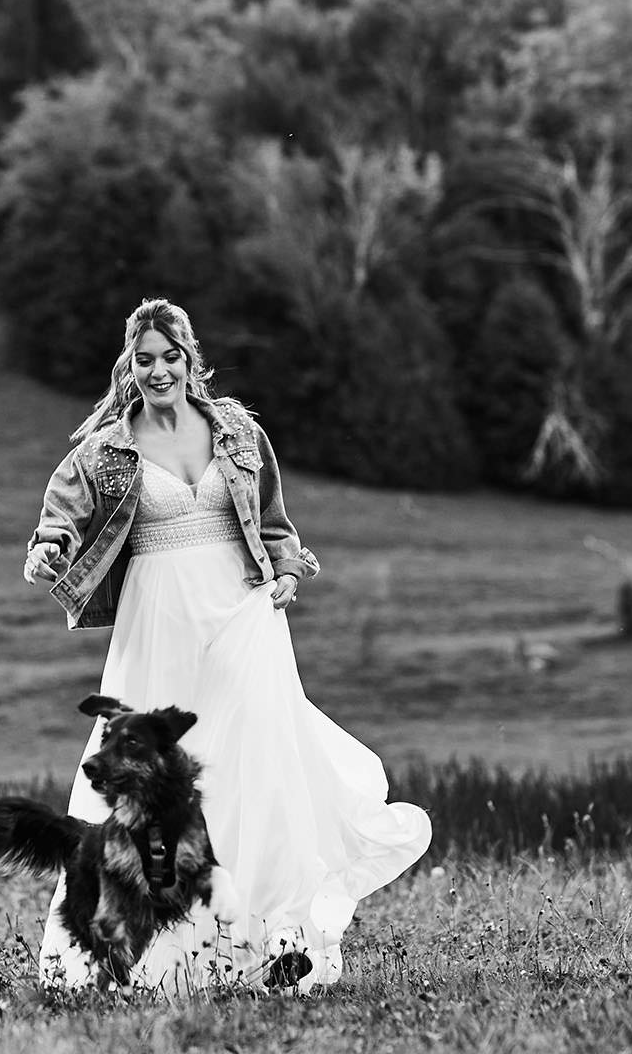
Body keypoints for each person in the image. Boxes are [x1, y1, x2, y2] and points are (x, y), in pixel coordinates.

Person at [23, 298, 430, 994]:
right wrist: (48, 549)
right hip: (159, 624)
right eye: (144, 359)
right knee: (149, 776)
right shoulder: (107, 450)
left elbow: (275, 523)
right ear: (131, 364)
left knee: (257, 760)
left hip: (243, 615)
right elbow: (61, 517)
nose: (158, 371)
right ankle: (129, 945)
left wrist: (291, 570)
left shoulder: (237, 431)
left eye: (170, 357)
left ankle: (277, 937)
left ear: (190, 358)